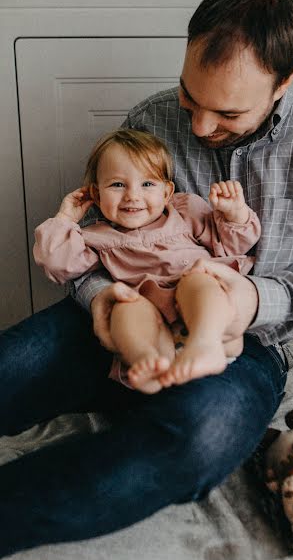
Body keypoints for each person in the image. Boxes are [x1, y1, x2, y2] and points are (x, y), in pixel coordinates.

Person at [0, 0, 293, 558]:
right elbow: (99, 246)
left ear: (284, 84)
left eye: (226, 112)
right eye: (188, 97)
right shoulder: (150, 117)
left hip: (239, 345)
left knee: (196, 439)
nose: (198, 127)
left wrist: (247, 298)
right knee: (10, 366)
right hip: (128, 309)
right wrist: (99, 297)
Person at [33, 128, 261, 393]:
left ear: (167, 193)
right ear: (96, 195)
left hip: (199, 306)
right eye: (117, 185)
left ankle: (205, 343)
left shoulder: (186, 210)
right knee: (125, 305)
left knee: (202, 280)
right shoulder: (95, 237)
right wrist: (64, 219)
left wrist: (235, 215)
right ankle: (144, 359)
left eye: (147, 184)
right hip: (150, 321)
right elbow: (59, 265)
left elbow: (231, 246)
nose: (133, 196)